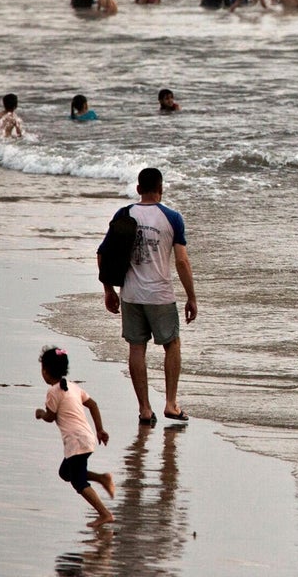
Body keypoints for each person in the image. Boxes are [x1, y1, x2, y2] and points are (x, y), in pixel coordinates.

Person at [98, 167, 198, 425]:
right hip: (161, 294)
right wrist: (191, 297)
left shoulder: (124, 214)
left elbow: (103, 254)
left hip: (130, 294)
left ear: (138, 189)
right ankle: (170, 404)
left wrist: (109, 290)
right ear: (161, 190)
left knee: (136, 348)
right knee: (172, 345)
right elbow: (182, 262)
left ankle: (144, 409)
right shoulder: (172, 218)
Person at [34, 347, 115, 528]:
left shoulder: (53, 392)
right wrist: (100, 430)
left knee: (78, 482)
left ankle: (105, 513)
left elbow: (50, 417)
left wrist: (40, 413)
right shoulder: (73, 387)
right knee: (66, 473)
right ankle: (103, 479)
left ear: (45, 372)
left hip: (76, 441)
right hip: (87, 438)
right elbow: (93, 405)